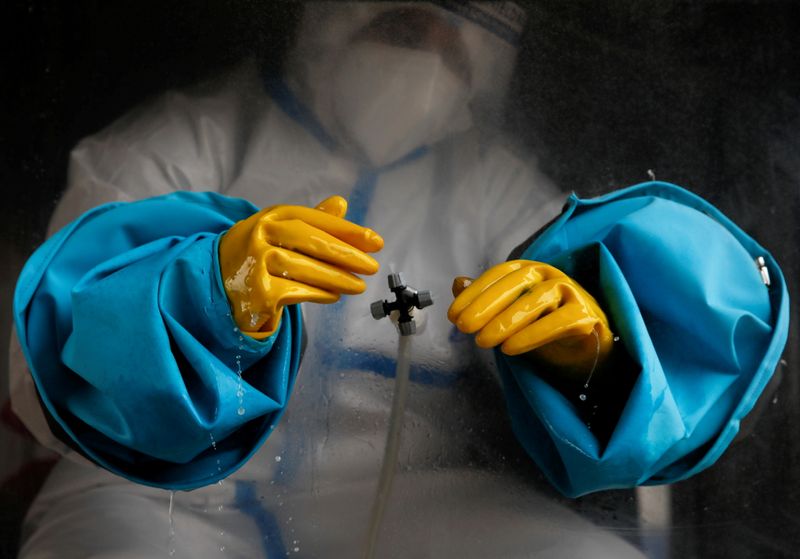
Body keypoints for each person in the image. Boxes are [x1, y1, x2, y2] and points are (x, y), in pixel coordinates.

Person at [11, 2, 654, 558]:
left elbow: (612, 329)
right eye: (402, 28)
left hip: (414, 492)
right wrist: (198, 295)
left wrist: (590, 360)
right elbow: (50, 352)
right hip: (157, 491)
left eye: (452, 37)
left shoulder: (495, 186)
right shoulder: (188, 139)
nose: (426, 49)